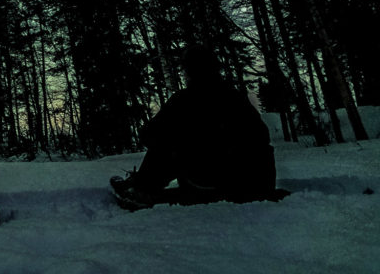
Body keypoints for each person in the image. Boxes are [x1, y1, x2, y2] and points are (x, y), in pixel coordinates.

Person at [110, 45, 276, 210]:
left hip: (208, 181)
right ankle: (143, 183)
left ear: (189, 72)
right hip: (246, 182)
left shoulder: (183, 100)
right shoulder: (236, 98)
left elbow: (148, 135)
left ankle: (141, 188)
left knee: (164, 144)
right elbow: (262, 138)